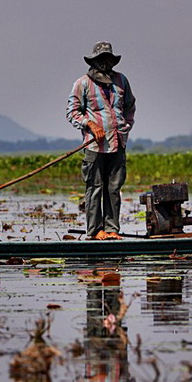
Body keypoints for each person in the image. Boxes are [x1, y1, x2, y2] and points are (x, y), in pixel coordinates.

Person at [66, 41, 136, 240]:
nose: (104, 63)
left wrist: (125, 126)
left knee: (114, 188)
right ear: (94, 61)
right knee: (95, 188)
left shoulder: (121, 81)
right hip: (95, 146)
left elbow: (130, 106)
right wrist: (90, 124)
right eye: (101, 59)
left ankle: (112, 229)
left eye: (108, 59)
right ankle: (96, 231)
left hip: (118, 143)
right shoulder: (82, 83)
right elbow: (72, 112)